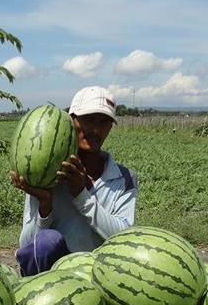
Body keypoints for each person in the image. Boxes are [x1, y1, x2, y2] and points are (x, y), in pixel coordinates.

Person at [11, 86, 138, 275]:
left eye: (104, 122)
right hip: (54, 275)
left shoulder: (124, 178)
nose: (95, 129)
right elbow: (30, 248)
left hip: (99, 274)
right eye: (88, 119)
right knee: (47, 241)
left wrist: (81, 195)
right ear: (71, 121)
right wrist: (45, 205)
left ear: (111, 127)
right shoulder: (49, 174)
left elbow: (123, 239)